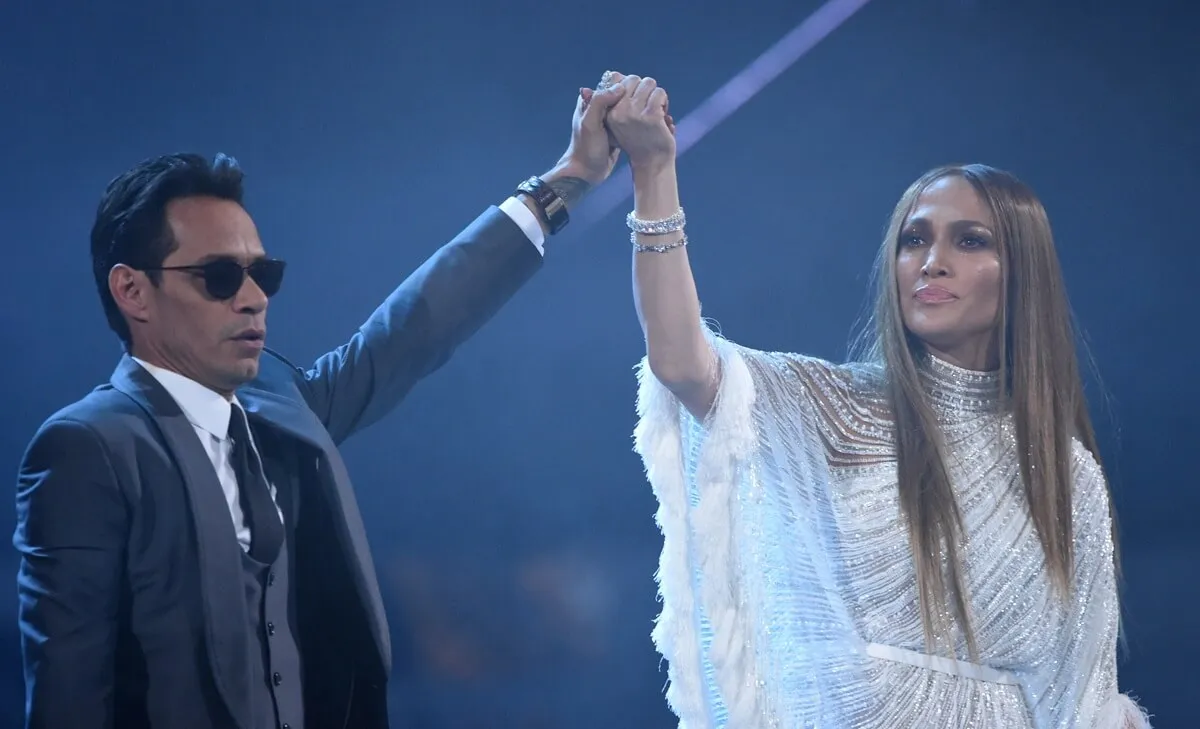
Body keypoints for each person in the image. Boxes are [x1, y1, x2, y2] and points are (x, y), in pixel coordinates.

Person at [12, 77, 633, 729]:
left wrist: (569, 178)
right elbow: (69, 695)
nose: (253, 297)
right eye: (220, 276)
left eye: (263, 274)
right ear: (133, 291)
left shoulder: (280, 403)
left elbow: (414, 330)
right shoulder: (87, 447)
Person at [601, 71, 1152, 728]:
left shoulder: (1063, 473)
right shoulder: (834, 409)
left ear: (1022, 272)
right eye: (914, 239)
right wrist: (654, 171)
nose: (931, 260)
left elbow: (1087, 694)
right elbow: (682, 361)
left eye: (969, 240)